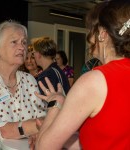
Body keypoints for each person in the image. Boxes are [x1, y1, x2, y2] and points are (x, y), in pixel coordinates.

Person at [30, 0, 130, 149]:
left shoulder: (94, 81)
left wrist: (55, 104)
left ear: (102, 34)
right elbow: (101, 138)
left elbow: (44, 147)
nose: (88, 38)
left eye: (90, 30)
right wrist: (58, 134)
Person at [0, 21, 46, 148]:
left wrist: (39, 131)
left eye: (24, 42)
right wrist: (27, 127)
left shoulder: (30, 80)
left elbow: (41, 115)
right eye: (14, 42)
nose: (22, 47)